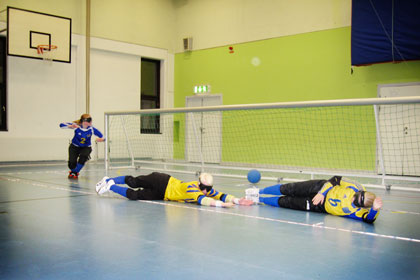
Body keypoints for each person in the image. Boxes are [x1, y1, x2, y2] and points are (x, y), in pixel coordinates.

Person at [246, 176, 383, 223]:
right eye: (355, 195)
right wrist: (322, 193)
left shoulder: (357, 212)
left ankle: (260, 200)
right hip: (319, 188)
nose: (353, 198)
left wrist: (375, 210)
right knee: (289, 188)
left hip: (320, 207)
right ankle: (258, 191)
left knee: (287, 202)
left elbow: (369, 219)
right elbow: (335, 179)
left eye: (355, 200)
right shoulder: (355, 186)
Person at [96, 172, 254, 208]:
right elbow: (202, 200)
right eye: (205, 188)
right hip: (162, 180)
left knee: (135, 196)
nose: (207, 191)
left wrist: (237, 200)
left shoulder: (205, 190)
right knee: (133, 182)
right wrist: (221, 205)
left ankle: (110, 187)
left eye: (208, 189)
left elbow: (220, 195)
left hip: (162, 194)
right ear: (199, 184)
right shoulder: (192, 188)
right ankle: (109, 179)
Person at [60, 114, 105, 179]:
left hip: (86, 147)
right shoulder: (76, 126)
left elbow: (103, 137)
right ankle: (73, 170)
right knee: (72, 164)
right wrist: (70, 126)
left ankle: (75, 172)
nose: (90, 123)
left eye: (90, 121)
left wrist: (102, 139)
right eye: (88, 121)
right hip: (74, 147)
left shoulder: (92, 129)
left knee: (83, 157)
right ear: (83, 121)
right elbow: (61, 125)